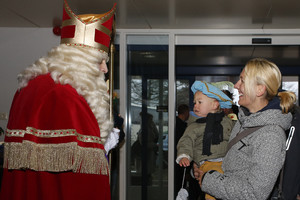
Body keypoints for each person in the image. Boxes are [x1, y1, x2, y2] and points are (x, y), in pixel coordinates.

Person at [0, 1, 118, 200]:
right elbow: (83, 181)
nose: (105, 70)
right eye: (100, 61)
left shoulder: (29, 86)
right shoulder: (69, 97)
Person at [194, 58, 296, 200]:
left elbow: (254, 193)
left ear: (259, 89)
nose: (236, 86)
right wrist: (206, 167)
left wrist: (209, 180)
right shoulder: (245, 120)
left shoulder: (270, 135)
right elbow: (236, 166)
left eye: (242, 80)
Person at [176, 80, 235, 200]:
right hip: (207, 162)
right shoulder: (194, 125)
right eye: (194, 103)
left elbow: (236, 136)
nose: (195, 106)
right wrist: (184, 155)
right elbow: (186, 140)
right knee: (213, 181)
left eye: (199, 102)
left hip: (227, 162)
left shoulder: (228, 121)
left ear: (214, 105)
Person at [174, 104, 190, 196]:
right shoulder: (182, 126)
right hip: (180, 158)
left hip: (176, 156)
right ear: (186, 112)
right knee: (180, 182)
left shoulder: (174, 123)